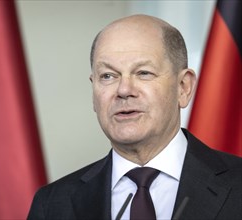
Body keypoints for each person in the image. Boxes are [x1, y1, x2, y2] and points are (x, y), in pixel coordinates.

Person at [27, 14, 242, 220]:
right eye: (108, 76)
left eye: (143, 73)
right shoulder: (52, 204)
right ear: (94, 93)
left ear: (183, 87)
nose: (123, 90)